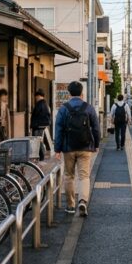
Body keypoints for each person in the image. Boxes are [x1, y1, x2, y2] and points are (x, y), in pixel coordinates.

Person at [54, 81, 99, 217]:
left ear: (69, 93)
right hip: (85, 147)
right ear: (82, 93)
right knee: (84, 176)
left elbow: (58, 130)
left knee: (69, 176)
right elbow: (96, 128)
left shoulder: (64, 109)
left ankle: (70, 205)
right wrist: (96, 144)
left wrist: (57, 149)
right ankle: (83, 201)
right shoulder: (89, 108)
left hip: (68, 148)